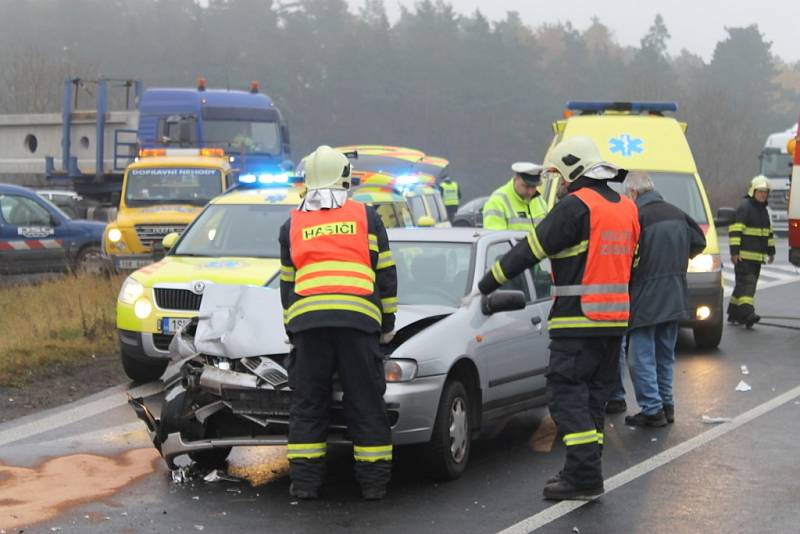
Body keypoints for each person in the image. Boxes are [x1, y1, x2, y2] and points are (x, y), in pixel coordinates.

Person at [473, 136, 639, 500]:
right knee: (593, 401)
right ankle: (585, 470)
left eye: (561, 175)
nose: (560, 182)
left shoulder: (575, 206)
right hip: (615, 322)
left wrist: (485, 285)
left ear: (573, 168)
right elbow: (633, 263)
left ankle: (583, 477)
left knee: (566, 396)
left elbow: (530, 251)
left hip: (577, 322)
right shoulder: (626, 207)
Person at [278, 145, 398, 500]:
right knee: (365, 402)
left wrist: (291, 329)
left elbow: (288, 284)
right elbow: (385, 274)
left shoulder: (293, 223)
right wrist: (387, 322)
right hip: (358, 323)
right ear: (346, 179)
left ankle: (305, 484)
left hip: (309, 326)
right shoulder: (366, 216)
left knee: (308, 404)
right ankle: (374, 485)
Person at [616, 173, 706, 427]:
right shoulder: (677, 213)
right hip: (675, 294)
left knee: (639, 356)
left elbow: (625, 256)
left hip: (646, 297)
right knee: (665, 355)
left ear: (633, 193)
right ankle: (667, 405)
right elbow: (699, 241)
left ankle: (652, 409)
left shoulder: (636, 217)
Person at [727, 175, 775, 328]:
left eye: (765, 192)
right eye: (760, 192)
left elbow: (768, 233)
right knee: (748, 286)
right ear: (753, 191)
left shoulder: (763, 211)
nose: (763, 195)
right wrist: (734, 252)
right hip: (744, 258)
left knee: (741, 286)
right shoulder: (745, 207)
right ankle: (748, 314)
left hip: (756, 259)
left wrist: (771, 251)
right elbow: (735, 231)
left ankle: (733, 313)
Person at [482, 162, 548, 230]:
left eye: (534, 187)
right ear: (516, 179)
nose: (530, 192)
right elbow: (495, 237)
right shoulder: (497, 201)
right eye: (526, 186)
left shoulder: (539, 200)